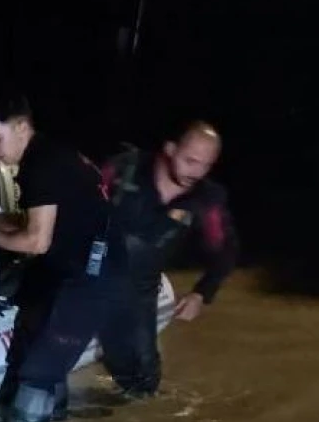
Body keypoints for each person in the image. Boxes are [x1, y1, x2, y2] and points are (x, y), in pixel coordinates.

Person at [0, 94, 123, 422]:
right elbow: (37, 223)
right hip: (70, 268)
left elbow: (36, 241)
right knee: (32, 342)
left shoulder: (41, 166)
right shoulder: (50, 154)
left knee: (38, 374)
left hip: (93, 277)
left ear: (21, 128)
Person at [96, 121, 238, 397]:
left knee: (144, 385)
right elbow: (70, 205)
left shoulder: (206, 199)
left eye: (205, 165)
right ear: (171, 149)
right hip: (86, 272)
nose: (195, 172)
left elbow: (225, 251)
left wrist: (201, 294)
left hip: (140, 288)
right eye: (190, 161)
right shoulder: (123, 169)